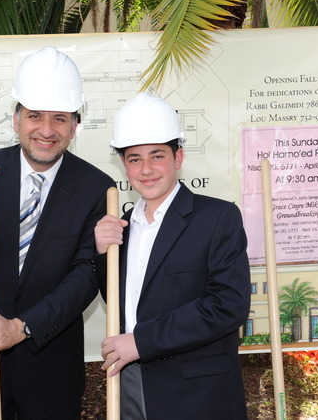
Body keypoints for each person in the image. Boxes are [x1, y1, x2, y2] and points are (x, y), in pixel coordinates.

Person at [0, 46, 115, 420]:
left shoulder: (96, 189)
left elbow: (84, 278)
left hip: (48, 369)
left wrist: (21, 328)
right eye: (34, 116)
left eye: (59, 118)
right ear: (16, 120)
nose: (46, 130)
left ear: (75, 125)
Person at [94, 93, 251, 419]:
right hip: (131, 383)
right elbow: (123, 304)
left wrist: (141, 341)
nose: (146, 169)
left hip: (197, 394)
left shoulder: (217, 218)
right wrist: (101, 253)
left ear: (178, 157)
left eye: (157, 156)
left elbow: (228, 305)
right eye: (134, 159)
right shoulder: (122, 227)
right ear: (124, 165)